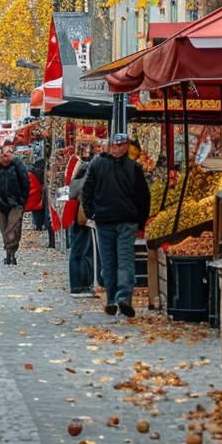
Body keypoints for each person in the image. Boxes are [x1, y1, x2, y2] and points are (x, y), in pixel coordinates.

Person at [82, 133, 150, 317]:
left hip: (123, 221)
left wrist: (139, 220)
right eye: (116, 145)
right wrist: (91, 213)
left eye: (122, 145)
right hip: (107, 220)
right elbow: (87, 190)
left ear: (126, 146)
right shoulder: (100, 164)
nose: (118, 148)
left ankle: (121, 298)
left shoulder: (133, 168)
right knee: (112, 262)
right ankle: (114, 298)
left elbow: (143, 196)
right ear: (110, 146)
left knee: (121, 261)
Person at [0, 144, 31, 265]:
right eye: (3, 153)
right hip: (0, 204)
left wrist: (22, 201)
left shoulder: (17, 166)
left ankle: (11, 253)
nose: (5, 156)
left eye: (8, 153)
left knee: (13, 228)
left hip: (15, 203)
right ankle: (8, 253)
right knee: (4, 228)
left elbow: (25, 182)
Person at [63, 153, 96, 296]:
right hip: (80, 219)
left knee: (83, 250)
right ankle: (78, 286)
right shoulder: (84, 182)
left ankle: (84, 284)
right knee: (80, 251)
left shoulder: (77, 180)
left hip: (77, 218)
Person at [27, 158, 56, 249]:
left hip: (41, 196)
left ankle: (39, 226)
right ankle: (51, 242)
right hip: (44, 195)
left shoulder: (33, 171)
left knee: (43, 214)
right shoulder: (39, 173)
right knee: (48, 217)